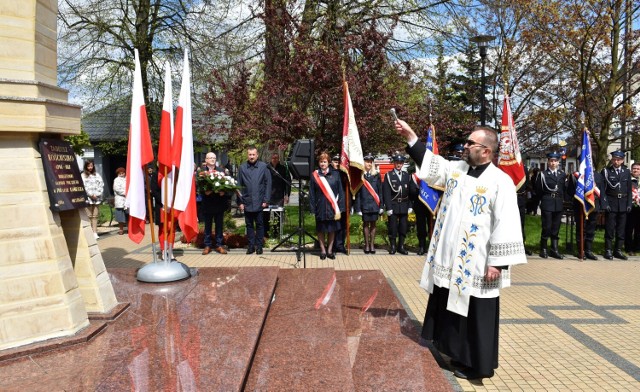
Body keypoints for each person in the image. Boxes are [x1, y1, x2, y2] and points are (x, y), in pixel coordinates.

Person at [395, 118, 527, 380]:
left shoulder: (500, 182)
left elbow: (508, 222)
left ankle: (478, 365)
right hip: (451, 259)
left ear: (486, 151)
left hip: (478, 263)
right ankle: (454, 353)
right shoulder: (456, 170)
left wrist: (498, 263)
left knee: (476, 313)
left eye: (470, 143)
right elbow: (432, 164)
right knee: (448, 305)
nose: (465, 146)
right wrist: (411, 138)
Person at [309, 152, 346, 259]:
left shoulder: (335, 174)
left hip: (332, 207)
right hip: (320, 207)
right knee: (320, 229)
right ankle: (323, 250)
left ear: (328, 162)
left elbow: (340, 191)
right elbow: (311, 193)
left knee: (331, 229)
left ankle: (330, 251)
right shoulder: (314, 175)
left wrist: (341, 207)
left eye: (324, 162)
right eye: (321, 162)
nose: (322, 164)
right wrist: (312, 208)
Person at [237, 146, 272, 255]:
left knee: (260, 224)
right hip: (247, 201)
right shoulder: (242, 168)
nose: (251, 157)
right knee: (249, 225)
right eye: (250, 154)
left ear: (257, 155)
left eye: (253, 154)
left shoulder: (264, 167)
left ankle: (259, 246)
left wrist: (266, 200)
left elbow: (268, 184)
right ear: (247, 155)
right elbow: (238, 186)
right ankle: (251, 246)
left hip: (259, 201)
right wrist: (240, 202)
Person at [566, 168, 606, 260]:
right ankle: (581, 251)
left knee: (591, 230)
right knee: (581, 229)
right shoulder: (576, 175)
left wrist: (602, 205)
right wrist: (580, 190)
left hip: (593, 205)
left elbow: (602, 191)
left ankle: (588, 250)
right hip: (580, 205)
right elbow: (569, 191)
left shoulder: (598, 176)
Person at [534, 152, 566, 259]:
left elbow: (564, 189)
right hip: (547, 202)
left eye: (555, 161)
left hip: (558, 203)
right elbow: (538, 190)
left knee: (556, 227)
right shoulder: (543, 174)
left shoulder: (562, 174)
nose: (553, 163)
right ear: (548, 162)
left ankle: (554, 249)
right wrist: (539, 202)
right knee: (547, 227)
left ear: (558, 162)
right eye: (551, 161)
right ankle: (543, 249)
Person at [199, 152, 232, 255]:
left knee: (219, 226)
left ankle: (219, 245)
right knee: (208, 226)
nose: (213, 159)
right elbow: (198, 186)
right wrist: (204, 191)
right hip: (207, 203)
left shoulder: (221, 171)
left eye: (214, 158)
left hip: (218, 203)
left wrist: (224, 192)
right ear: (206, 159)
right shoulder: (201, 172)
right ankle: (207, 245)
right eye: (210, 158)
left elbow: (228, 185)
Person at [602, 150, 632, 260]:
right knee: (609, 228)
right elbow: (602, 190)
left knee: (621, 229)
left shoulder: (626, 172)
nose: (616, 161)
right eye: (614, 159)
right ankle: (608, 250)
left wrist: (629, 203)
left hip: (623, 203)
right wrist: (605, 203)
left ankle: (618, 250)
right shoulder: (606, 171)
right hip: (612, 202)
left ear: (622, 160)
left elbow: (629, 190)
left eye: (618, 159)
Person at [382, 152, 411, 255]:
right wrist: (388, 207)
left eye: (401, 163)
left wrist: (410, 206)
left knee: (403, 226)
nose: (399, 164)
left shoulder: (407, 176)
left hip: (404, 205)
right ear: (394, 163)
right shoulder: (389, 175)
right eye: (397, 162)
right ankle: (393, 246)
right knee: (392, 227)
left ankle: (401, 246)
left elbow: (410, 192)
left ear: (403, 164)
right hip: (393, 205)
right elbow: (386, 192)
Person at [354, 153, 383, 254]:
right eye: (367, 162)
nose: (369, 164)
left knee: (374, 225)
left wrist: (381, 206)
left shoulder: (377, 175)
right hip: (364, 204)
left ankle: (372, 245)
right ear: (364, 163)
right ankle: (366, 245)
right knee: (366, 224)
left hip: (375, 204)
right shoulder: (360, 176)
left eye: (371, 162)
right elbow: (357, 193)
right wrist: (357, 208)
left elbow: (380, 191)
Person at [263, 152, 291, 238]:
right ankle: (265, 234)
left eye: (276, 158)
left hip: (279, 195)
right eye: (273, 158)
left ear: (278, 159)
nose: (275, 160)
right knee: (265, 215)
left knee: (277, 216)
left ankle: (276, 234)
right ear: (270, 159)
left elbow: (288, 182)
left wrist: (287, 194)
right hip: (267, 195)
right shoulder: (266, 168)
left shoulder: (283, 168)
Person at [408, 164, 430, 255]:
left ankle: (431, 246)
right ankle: (422, 246)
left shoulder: (431, 175)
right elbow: (412, 191)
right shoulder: (414, 177)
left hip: (430, 205)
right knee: (421, 227)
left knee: (431, 226)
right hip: (419, 204)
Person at [81, 159, 104, 239]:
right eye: (88, 166)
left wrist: (97, 194)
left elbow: (101, 184)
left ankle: (94, 232)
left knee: (95, 215)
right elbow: (84, 187)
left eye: (91, 166)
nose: (90, 167)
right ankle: (89, 232)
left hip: (97, 198)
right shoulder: (83, 175)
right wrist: (91, 195)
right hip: (88, 198)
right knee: (89, 215)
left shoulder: (97, 175)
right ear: (86, 166)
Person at [330, 154, 348, 254]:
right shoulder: (328, 173)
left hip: (343, 203)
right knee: (333, 225)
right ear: (331, 162)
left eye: (338, 161)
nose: (336, 163)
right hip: (332, 203)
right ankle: (332, 246)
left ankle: (340, 245)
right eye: (335, 161)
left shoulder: (344, 173)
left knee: (342, 226)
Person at [517, 167, 533, 256]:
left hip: (520, 199)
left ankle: (522, 245)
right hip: (507, 199)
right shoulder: (504, 164)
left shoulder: (523, 168)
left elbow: (526, 182)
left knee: (521, 223)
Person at [625, 162, 640, 256]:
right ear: (631, 169)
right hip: (630, 207)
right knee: (629, 228)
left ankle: (637, 248)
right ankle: (629, 248)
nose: (636, 170)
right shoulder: (627, 180)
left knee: (639, 229)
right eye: (634, 168)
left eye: (638, 169)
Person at [113, 167, 127, 235]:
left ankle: (129, 228)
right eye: (120, 173)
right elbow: (117, 189)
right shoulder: (116, 180)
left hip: (127, 200)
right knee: (120, 216)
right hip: (120, 199)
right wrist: (126, 192)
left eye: (123, 173)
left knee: (128, 215)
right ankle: (121, 229)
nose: (122, 174)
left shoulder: (127, 179)